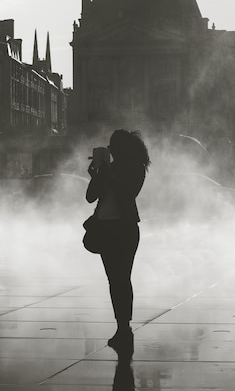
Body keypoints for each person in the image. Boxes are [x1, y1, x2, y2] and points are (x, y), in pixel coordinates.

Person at [86, 130, 150, 356]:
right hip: (105, 228)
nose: (111, 151)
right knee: (114, 280)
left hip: (124, 229)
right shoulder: (108, 169)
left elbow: (128, 192)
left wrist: (109, 174)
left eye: (113, 147)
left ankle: (125, 329)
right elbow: (90, 197)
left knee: (122, 278)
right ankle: (121, 328)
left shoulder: (136, 168)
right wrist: (96, 173)